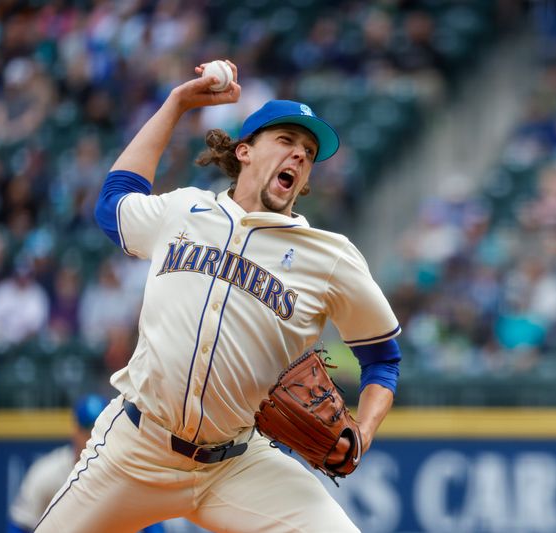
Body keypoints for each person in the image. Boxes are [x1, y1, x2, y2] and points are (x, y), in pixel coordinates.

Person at [35, 61, 402, 532]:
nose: (298, 156)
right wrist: (177, 104)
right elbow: (113, 203)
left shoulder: (329, 257)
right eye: (286, 141)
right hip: (135, 449)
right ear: (244, 151)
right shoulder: (184, 210)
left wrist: (365, 431)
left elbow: (383, 358)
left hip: (239, 464)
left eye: (308, 152)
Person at [8, 395, 164, 533]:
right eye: (86, 429)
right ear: (74, 431)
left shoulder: (130, 474)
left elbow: (154, 528)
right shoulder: (47, 474)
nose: (92, 436)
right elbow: (19, 526)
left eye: (98, 428)